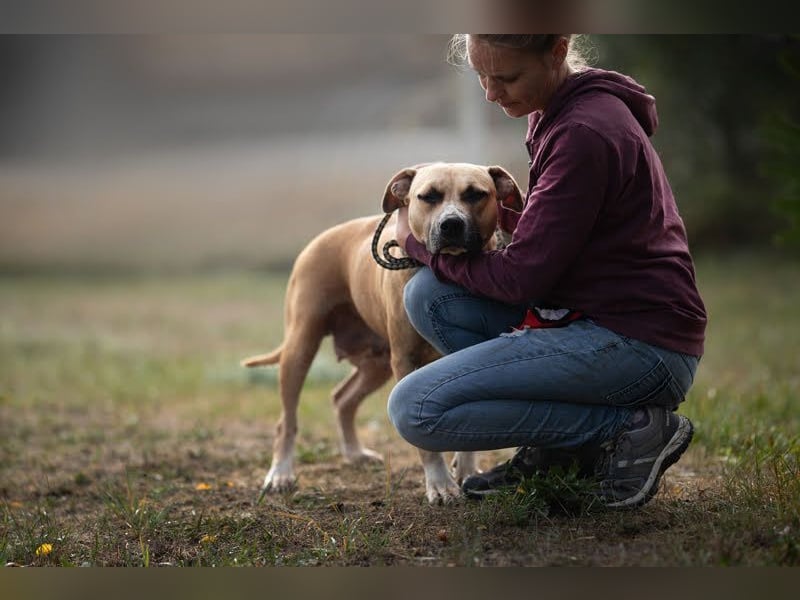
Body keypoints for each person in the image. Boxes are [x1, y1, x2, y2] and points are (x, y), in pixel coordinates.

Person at [387, 34, 707, 508]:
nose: (492, 93)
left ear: (556, 51)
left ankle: (629, 431)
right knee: (430, 296)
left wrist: (420, 245)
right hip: (592, 318)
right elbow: (558, 232)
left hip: (639, 342)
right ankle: (556, 448)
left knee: (414, 409)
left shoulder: (584, 131)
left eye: (507, 77)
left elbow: (521, 278)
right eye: (482, 76)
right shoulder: (554, 111)